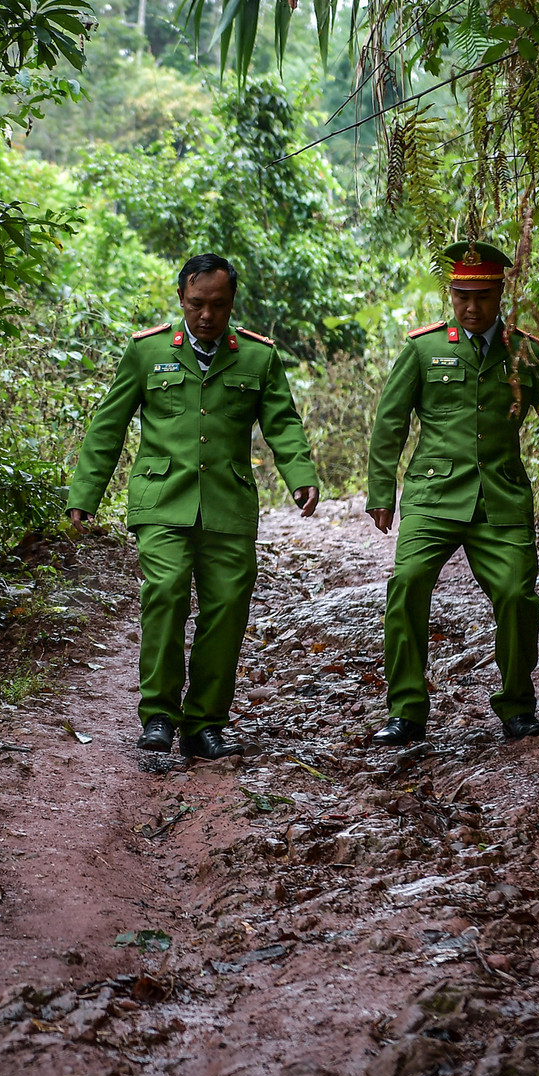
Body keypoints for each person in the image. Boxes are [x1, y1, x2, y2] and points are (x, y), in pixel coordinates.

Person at [66, 254, 321, 759]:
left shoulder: (258, 357)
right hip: (162, 500)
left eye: (218, 305)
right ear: (181, 298)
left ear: (232, 302)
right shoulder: (147, 351)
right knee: (166, 593)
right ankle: (159, 715)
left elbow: (283, 423)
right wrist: (85, 495)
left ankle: (205, 723)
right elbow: (108, 425)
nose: (207, 315)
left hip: (227, 504)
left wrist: (301, 477)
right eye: (197, 304)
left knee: (227, 608)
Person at [364, 240, 539, 748]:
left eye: (482, 297)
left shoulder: (524, 352)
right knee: (407, 584)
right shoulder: (424, 349)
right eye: (462, 297)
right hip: (434, 495)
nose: (471, 307)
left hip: (500, 496)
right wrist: (381, 491)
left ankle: (518, 707)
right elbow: (390, 422)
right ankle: (406, 711)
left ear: (500, 294)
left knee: (518, 596)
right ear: (451, 295)